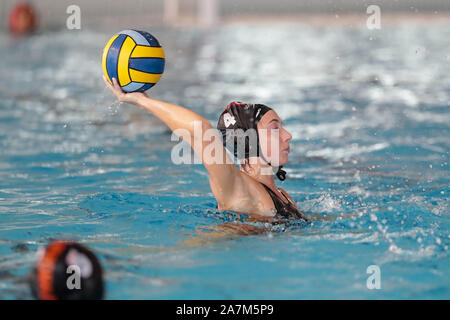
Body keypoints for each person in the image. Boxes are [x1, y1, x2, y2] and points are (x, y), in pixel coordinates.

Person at [103, 77, 308, 224]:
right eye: (275, 128)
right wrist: (142, 101)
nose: (287, 135)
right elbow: (199, 130)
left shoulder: (283, 196)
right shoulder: (239, 186)